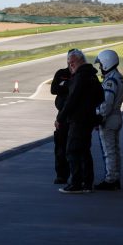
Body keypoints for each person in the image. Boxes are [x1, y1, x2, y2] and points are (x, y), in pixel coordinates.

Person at [55, 49, 104, 194]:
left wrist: (60, 118)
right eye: (69, 64)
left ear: (79, 61)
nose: (70, 66)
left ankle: (75, 184)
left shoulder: (80, 76)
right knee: (84, 151)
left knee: (72, 151)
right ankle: (87, 183)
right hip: (87, 119)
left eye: (72, 63)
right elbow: (100, 96)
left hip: (78, 120)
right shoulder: (92, 76)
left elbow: (72, 100)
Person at [94, 50, 123, 191]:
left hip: (109, 118)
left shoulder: (110, 81)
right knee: (114, 149)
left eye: (101, 65)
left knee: (109, 151)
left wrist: (99, 117)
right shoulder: (119, 78)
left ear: (107, 63)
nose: (100, 67)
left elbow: (106, 103)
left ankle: (110, 180)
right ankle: (115, 177)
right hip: (117, 116)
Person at [50, 52, 73, 184]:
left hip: (76, 116)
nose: (71, 62)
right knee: (60, 147)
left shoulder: (81, 74)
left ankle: (77, 175)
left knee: (76, 146)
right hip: (62, 115)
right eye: (69, 60)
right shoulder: (61, 73)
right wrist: (68, 87)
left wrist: (64, 87)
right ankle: (61, 175)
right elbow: (53, 89)